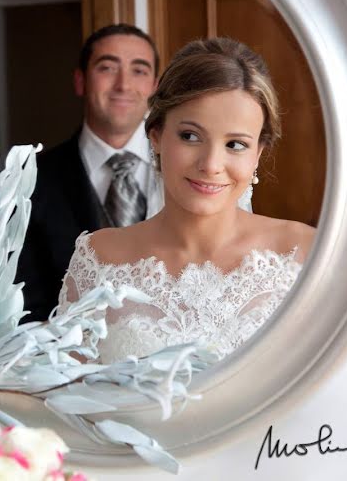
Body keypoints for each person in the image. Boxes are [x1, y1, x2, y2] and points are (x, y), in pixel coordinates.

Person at [58, 37, 315, 363]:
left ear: (258, 154)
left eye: (235, 144)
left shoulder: (304, 255)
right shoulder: (99, 260)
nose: (210, 164)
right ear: (156, 136)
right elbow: (68, 398)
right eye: (190, 136)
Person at [16, 24, 162, 323]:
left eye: (139, 70)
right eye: (107, 68)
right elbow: (22, 299)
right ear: (81, 81)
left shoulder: (184, 171)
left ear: (155, 87)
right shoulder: (30, 177)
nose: (123, 85)